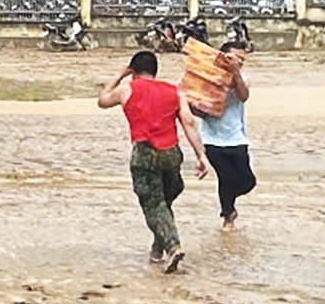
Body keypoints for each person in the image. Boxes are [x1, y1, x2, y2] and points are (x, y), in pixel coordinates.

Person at [98, 51, 210, 273]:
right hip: (171, 153)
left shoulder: (127, 89)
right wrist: (201, 155)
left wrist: (120, 74)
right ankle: (158, 249)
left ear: (133, 72)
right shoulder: (174, 91)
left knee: (153, 205)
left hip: (145, 153)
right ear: (155, 71)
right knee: (164, 200)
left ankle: (173, 246)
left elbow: (102, 100)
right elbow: (188, 122)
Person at [199, 40, 256, 230]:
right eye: (234, 58)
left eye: (242, 60)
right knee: (225, 178)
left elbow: (243, 96)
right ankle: (228, 216)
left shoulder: (242, 77)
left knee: (247, 181)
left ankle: (228, 209)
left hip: (236, 138)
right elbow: (196, 109)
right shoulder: (206, 78)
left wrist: (235, 72)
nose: (239, 62)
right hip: (211, 139)